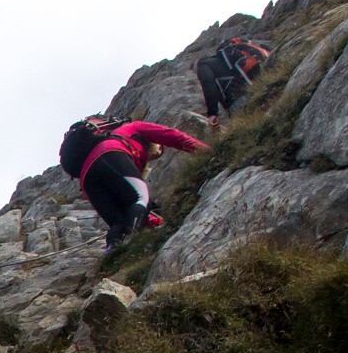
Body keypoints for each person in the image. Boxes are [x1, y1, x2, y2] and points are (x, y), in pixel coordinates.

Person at [77, 119, 208, 251]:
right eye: (158, 151)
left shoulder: (123, 151)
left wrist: (156, 221)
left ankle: (113, 253)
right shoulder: (134, 128)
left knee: (118, 222)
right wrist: (206, 151)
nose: (156, 155)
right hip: (110, 153)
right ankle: (131, 241)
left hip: (87, 177)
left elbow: (132, 209)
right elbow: (173, 136)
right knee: (140, 198)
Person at [195, 36, 271, 123]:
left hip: (246, 97)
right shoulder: (249, 52)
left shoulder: (204, 64)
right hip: (267, 83)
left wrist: (212, 113)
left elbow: (208, 83)